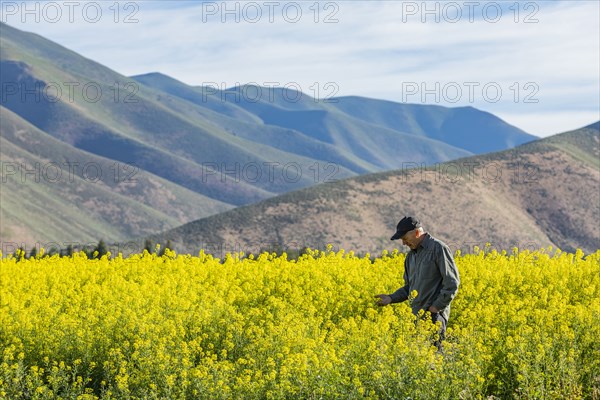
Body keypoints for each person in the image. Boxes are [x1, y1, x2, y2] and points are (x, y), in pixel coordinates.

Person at [375, 216, 460, 349]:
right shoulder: (411, 257)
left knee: (433, 361)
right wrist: (391, 298)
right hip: (415, 318)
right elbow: (410, 287)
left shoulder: (438, 249)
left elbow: (452, 283)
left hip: (433, 317)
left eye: (404, 238)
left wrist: (435, 308)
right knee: (419, 362)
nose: (403, 243)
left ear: (416, 233)